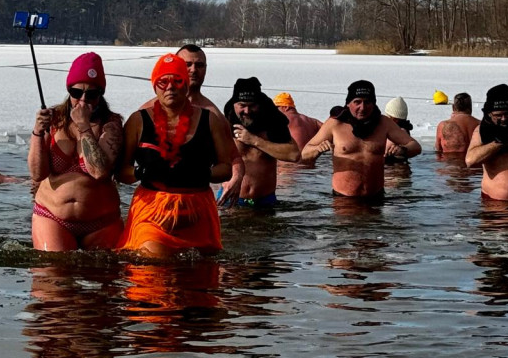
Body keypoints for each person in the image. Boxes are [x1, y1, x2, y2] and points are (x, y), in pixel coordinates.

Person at [117, 53, 236, 257]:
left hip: (198, 210)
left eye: (177, 80)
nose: (170, 87)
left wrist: (203, 174)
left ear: (186, 85)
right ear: (154, 86)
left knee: (200, 282)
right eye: (163, 82)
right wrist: (141, 172)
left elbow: (226, 168)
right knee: (152, 271)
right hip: (152, 211)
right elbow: (120, 172)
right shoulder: (138, 121)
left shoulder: (210, 120)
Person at [28, 52, 124, 251]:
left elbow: (98, 171)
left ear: (101, 94)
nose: (82, 100)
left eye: (91, 95)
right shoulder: (53, 119)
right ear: (68, 91)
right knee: (53, 273)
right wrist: (38, 132)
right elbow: (37, 173)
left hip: (101, 222)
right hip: (53, 216)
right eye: (76, 92)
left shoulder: (111, 124)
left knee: (105, 277)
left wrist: (84, 126)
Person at [300, 80, 421, 199]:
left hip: (376, 198)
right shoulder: (335, 124)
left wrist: (403, 150)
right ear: (348, 103)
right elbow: (304, 154)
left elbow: (415, 146)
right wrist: (317, 149)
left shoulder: (384, 123)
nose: (362, 107)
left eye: (367, 102)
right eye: (357, 102)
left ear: (374, 103)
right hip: (343, 200)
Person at [218, 79, 300, 209]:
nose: (247, 110)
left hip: (264, 201)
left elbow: (294, 155)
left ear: (260, 104)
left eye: (252, 105)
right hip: (230, 198)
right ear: (234, 104)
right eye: (242, 105)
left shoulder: (273, 123)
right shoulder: (225, 122)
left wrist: (255, 140)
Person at [382, 97, 420, 164]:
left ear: (394, 119)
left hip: (394, 171)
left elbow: (417, 147)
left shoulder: (399, 133)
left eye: (387, 116)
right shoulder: (401, 131)